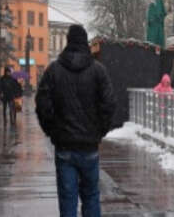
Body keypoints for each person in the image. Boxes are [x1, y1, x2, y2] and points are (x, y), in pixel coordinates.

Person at [35, 24, 116, 217]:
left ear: (68, 41)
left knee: (67, 198)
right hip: (89, 146)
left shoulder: (53, 70)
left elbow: (42, 104)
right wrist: (99, 131)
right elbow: (109, 104)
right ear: (85, 42)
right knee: (91, 197)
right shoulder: (98, 71)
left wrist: (53, 131)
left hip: (64, 146)